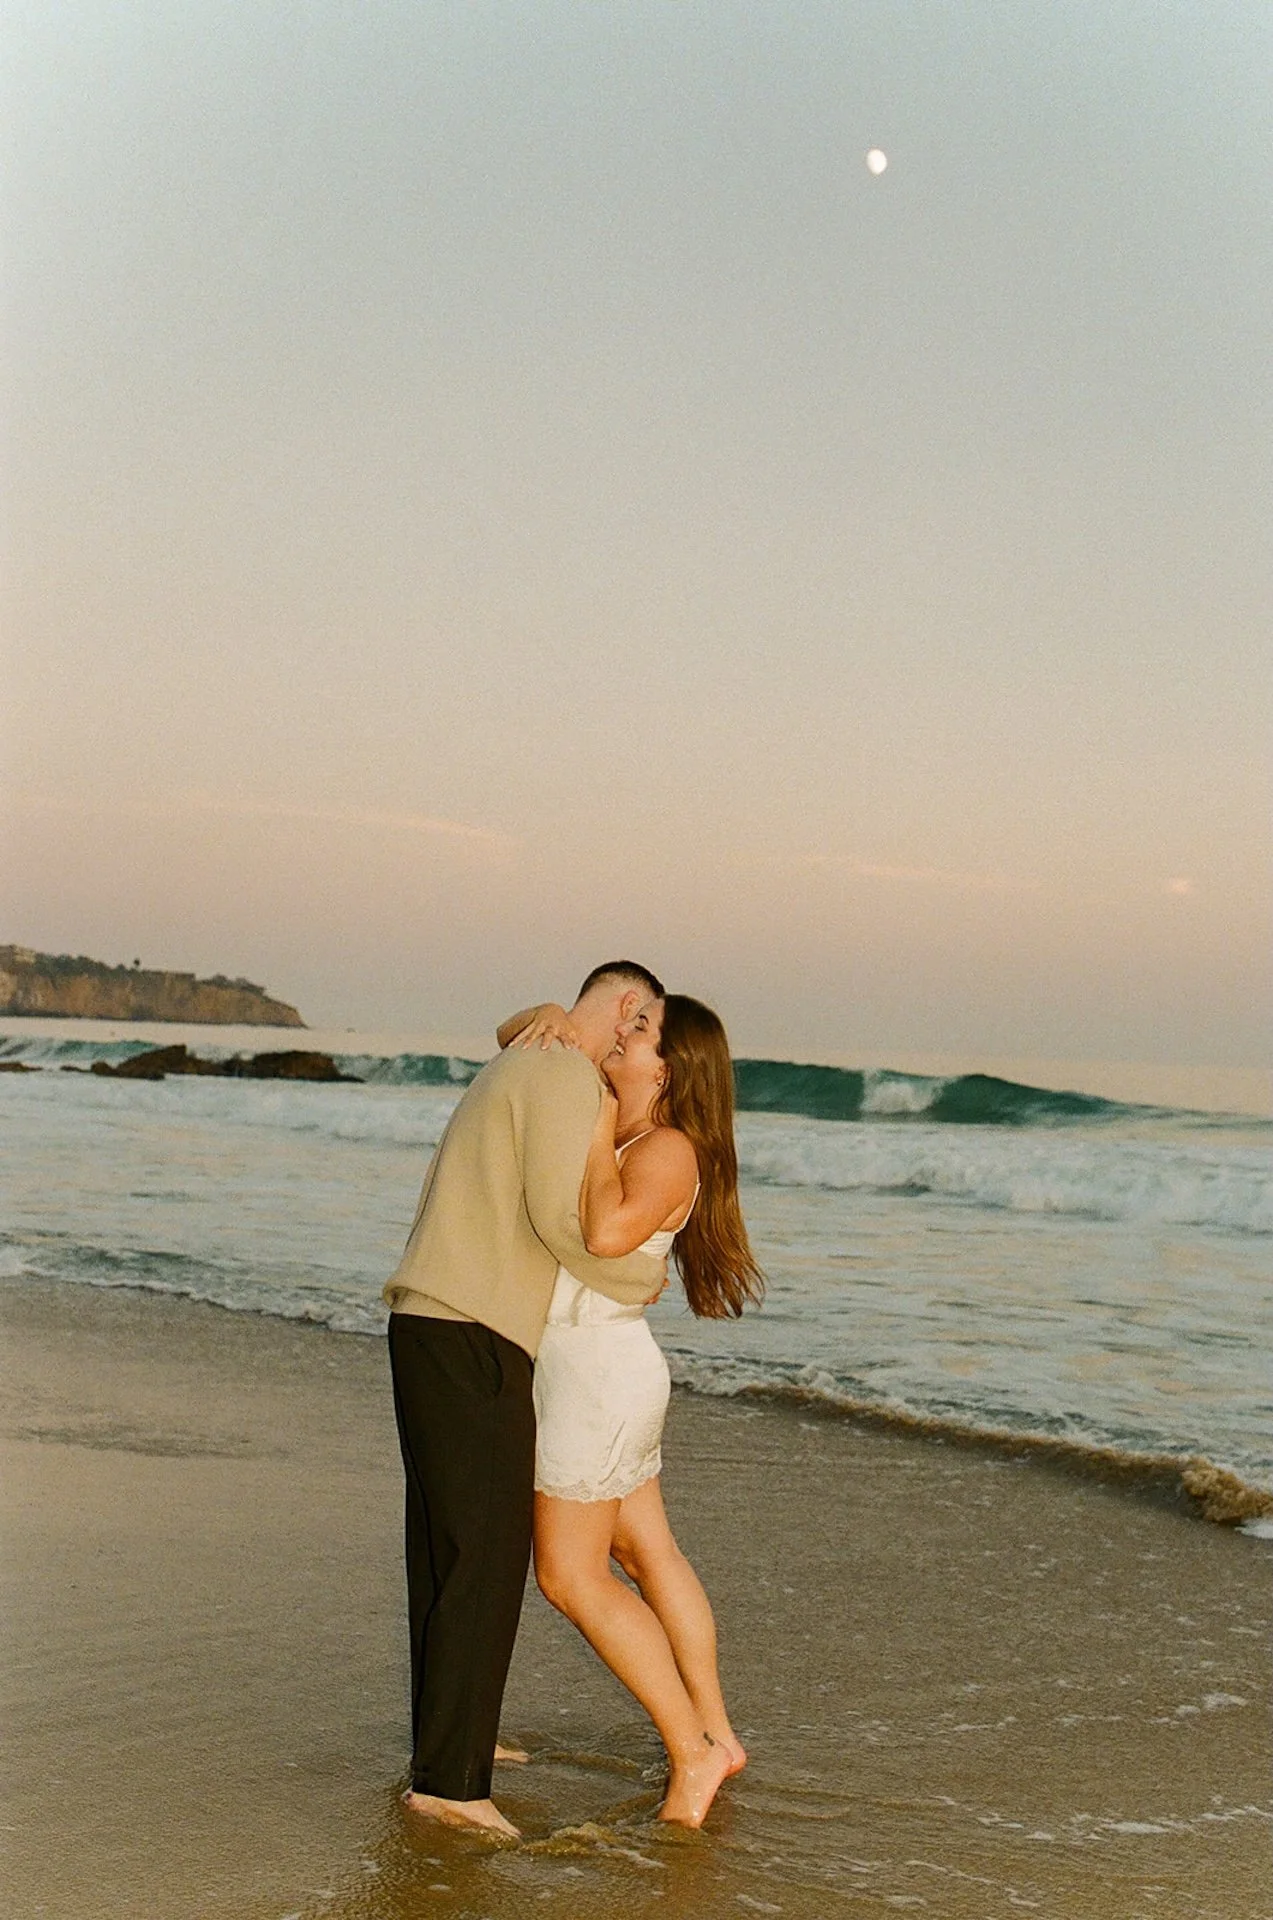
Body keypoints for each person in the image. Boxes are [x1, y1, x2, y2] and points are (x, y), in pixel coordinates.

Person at [382, 961, 667, 1839]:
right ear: (626, 1010)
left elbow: (519, 1030)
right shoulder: (559, 1075)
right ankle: (450, 1786)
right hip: (473, 1327)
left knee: (445, 1548)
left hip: (434, 1321)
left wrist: (534, 1015)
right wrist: (643, 1272)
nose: (646, 1047)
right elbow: (559, 1218)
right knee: (485, 1553)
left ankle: (450, 1746)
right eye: (649, 1025)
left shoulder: (526, 1056)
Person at [499, 990, 764, 1827]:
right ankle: (716, 1734)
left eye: (641, 1031)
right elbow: (511, 1041)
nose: (622, 1034)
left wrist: (593, 1113)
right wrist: (547, 1013)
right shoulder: (627, 1131)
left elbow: (610, 1233)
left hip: (595, 1378)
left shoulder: (668, 1149)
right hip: (599, 1369)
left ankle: (691, 1755)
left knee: (570, 1577)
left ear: (670, 1069)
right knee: (647, 1552)